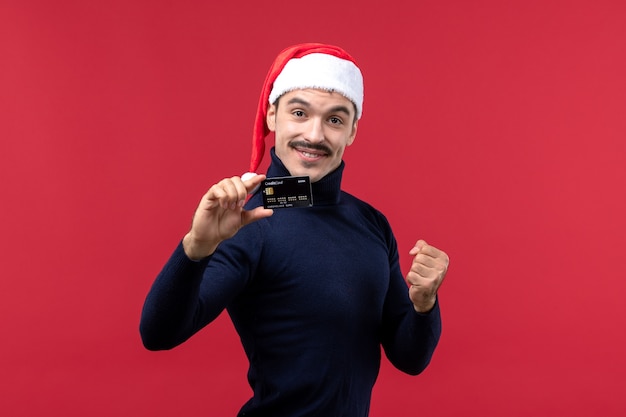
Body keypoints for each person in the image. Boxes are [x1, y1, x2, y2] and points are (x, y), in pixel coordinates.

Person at [140, 43, 449, 417]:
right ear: (272, 116)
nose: (315, 135)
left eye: (335, 120)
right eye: (299, 113)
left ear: (352, 131)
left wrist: (424, 305)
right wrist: (196, 248)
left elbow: (410, 358)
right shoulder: (247, 223)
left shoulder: (371, 223)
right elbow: (158, 334)